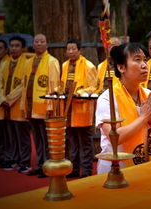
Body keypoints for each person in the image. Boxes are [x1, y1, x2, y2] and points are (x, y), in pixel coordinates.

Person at [96, 43, 151, 174]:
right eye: (137, 60)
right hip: (115, 171)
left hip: (145, 167)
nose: (144, 65)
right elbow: (115, 137)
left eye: (144, 59)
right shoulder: (107, 98)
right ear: (121, 67)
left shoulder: (147, 94)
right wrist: (143, 118)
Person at [21, 34, 60, 178]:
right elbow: (25, 85)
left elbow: (54, 86)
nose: (39, 44)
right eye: (36, 41)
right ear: (33, 44)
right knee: (36, 138)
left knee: (46, 139)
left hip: (44, 106)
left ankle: (47, 166)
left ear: (47, 44)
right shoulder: (28, 61)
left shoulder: (52, 61)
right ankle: (39, 164)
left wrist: (50, 106)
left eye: (42, 41)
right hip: (31, 106)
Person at [61, 39, 97, 178]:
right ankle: (74, 169)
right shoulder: (64, 65)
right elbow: (61, 84)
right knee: (72, 142)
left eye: (73, 49)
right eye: (68, 49)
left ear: (79, 50)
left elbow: (93, 87)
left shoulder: (88, 66)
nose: (70, 51)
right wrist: (58, 90)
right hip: (68, 109)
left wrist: (80, 93)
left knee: (85, 142)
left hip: (82, 110)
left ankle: (86, 171)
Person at [0, 36, 31, 172]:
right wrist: (1, 99)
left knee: (22, 135)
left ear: (22, 48)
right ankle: (12, 159)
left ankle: (25, 161)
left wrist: (9, 99)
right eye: (12, 45)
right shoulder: (4, 64)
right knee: (9, 135)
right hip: (4, 106)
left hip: (17, 105)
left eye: (17, 46)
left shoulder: (27, 62)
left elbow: (24, 83)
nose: (14, 48)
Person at [0, 39, 9, 167]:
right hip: (1, 101)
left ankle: (7, 157)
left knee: (7, 134)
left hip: (6, 103)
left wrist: (4, 100)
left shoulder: (7, 63)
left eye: (1, 48)